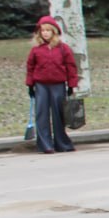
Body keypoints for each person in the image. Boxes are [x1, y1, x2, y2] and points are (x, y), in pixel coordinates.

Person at [25, 15, 79, 154]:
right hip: (41, 85)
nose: (45, 33)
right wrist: (30, 85)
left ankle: (62, 143)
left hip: (58, 84)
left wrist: (71, 85)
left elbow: (71, 67)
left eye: (48, 30)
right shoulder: (36, 50)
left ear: (54, 32)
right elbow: (30, 67)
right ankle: (45, 144)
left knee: (58, 114)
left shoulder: (63, 48)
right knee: (41, 114)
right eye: (43, 31)